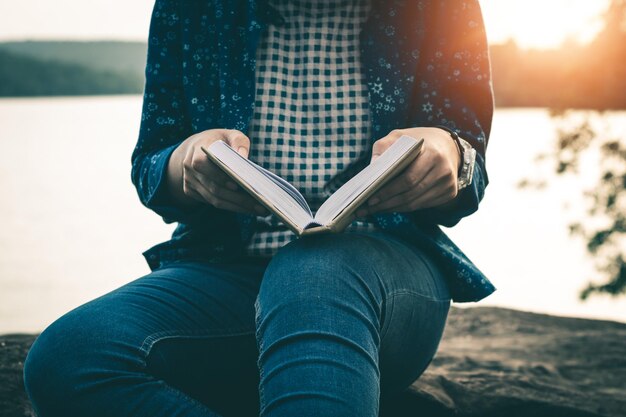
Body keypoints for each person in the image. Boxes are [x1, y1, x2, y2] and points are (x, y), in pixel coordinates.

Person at [23, 0, 495, 416]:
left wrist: (450, 153)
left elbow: (471, 166)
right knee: (70, 356)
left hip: (386, 286)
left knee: (311, 272)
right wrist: (184, 164)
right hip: (228, 274)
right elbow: (151, 163)